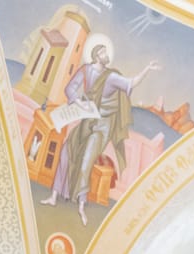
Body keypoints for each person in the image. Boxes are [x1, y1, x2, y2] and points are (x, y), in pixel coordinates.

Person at [41, 44, 160, 225]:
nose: (106, 55)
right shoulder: (86, 70)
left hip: (102, 125)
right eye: (103, 52)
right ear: (96, 56)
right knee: (66, 152)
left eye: (106, 52)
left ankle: (81, 205)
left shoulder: (111, 77)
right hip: (87, 118)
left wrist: (147, 70)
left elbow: (131, 82)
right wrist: (79, 103)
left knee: (87, 160)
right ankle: (54, 195)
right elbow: (70, 89)